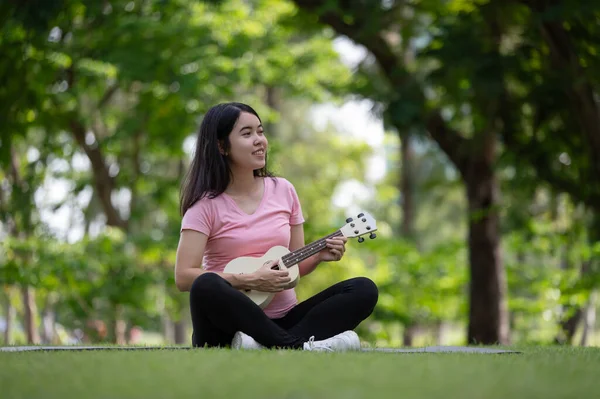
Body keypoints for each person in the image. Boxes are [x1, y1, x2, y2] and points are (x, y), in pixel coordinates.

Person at [175, 102, 378, 351]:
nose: (260, 140)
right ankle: (296, 347)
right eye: (247, 134)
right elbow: (184, 277)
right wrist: (250, 279)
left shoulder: (284, 190)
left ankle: (272, 345)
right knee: (205, 285)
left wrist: (319, 257)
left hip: (285, 320)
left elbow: (293, 268)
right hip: (227, 327)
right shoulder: (205, 206)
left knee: (363, 289)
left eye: (260, 131)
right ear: (221, 146)